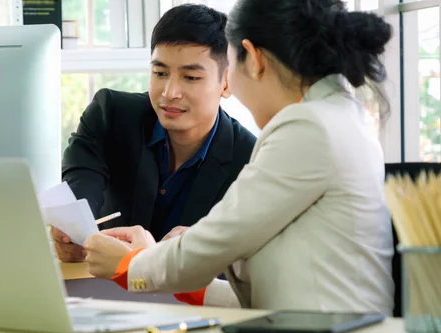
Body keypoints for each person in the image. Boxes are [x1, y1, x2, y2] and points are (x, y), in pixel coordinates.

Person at [83, 0, 395, 314]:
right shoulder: (338, 116)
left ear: (254, 57)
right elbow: (275, 292)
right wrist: (189, 274)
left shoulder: (308, 128)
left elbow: (214, 244)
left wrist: (128, 265)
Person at [55, 4, 256, 262]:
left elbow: (245, 263)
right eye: (160, 73)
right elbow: (79, 188)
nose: (170, 92)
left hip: (187, 300)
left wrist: (171, 255)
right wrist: (73, 233)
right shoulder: (111, 115)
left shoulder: (250, 162)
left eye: (190, 77)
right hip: (99, 287)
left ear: (227, 82)